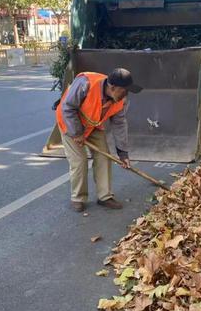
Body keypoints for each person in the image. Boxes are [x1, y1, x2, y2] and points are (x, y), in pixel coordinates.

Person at [55, 68, 142, 212]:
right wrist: (76, 133)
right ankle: (78, 198)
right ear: (112, 87)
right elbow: (68, 108)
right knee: (79, 160)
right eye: (124, 90)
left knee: (103, 156)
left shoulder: (120, 100)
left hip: (92, 124)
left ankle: (105, 196)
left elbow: (119, 124)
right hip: (70, 123)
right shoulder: (85, 83)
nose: (126, 94)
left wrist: (123, 153)